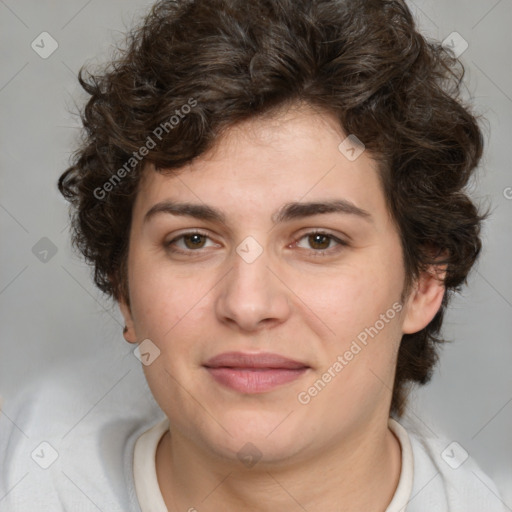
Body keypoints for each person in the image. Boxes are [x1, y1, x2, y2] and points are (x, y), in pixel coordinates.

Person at [0, 0, 507, 510]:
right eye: (193, 240)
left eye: (318, 240)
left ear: (422, 283)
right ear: (123, 288)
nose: (247, 304)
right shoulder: (28, 476)